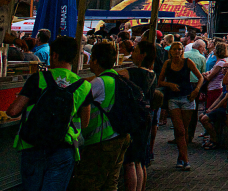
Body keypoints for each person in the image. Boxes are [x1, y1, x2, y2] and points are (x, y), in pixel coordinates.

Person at [7, 36, 92, 191]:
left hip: (33, 146)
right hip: (63, 149)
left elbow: (13, 111)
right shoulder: (84, 86)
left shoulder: (38, 78)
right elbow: (85, 123)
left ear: (54, 55)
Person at [68, 42, 132, 191]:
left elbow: (76, 104)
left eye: (91, 59)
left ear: (96, 60)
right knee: (110, 182)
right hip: (121, 136)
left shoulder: (99, 82)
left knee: (89, 183)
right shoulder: (116, 78)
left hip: (102, 141)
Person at [157, 41, 203, 171]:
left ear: (182, 51)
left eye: (179, 49)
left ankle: (181, 156)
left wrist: (196, 90)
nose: (177, 51)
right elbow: (160, 81)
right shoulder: (167, 64)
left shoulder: (187, 62)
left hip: (187, 97)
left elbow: (200, 77)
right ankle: (186, 159)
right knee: (180, 129)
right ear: (170, 51)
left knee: (185, 129)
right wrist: (170, 84)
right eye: (175, 49)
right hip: (173, 99)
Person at [119, 40, 157, 191]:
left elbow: (111, 74)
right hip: (146, 116)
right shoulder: (152, 74)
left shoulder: (132, 73)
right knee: (140, 161)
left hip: (134, 118)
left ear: (143, 55)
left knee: (130, 162)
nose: (132, 53)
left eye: (135, 51)